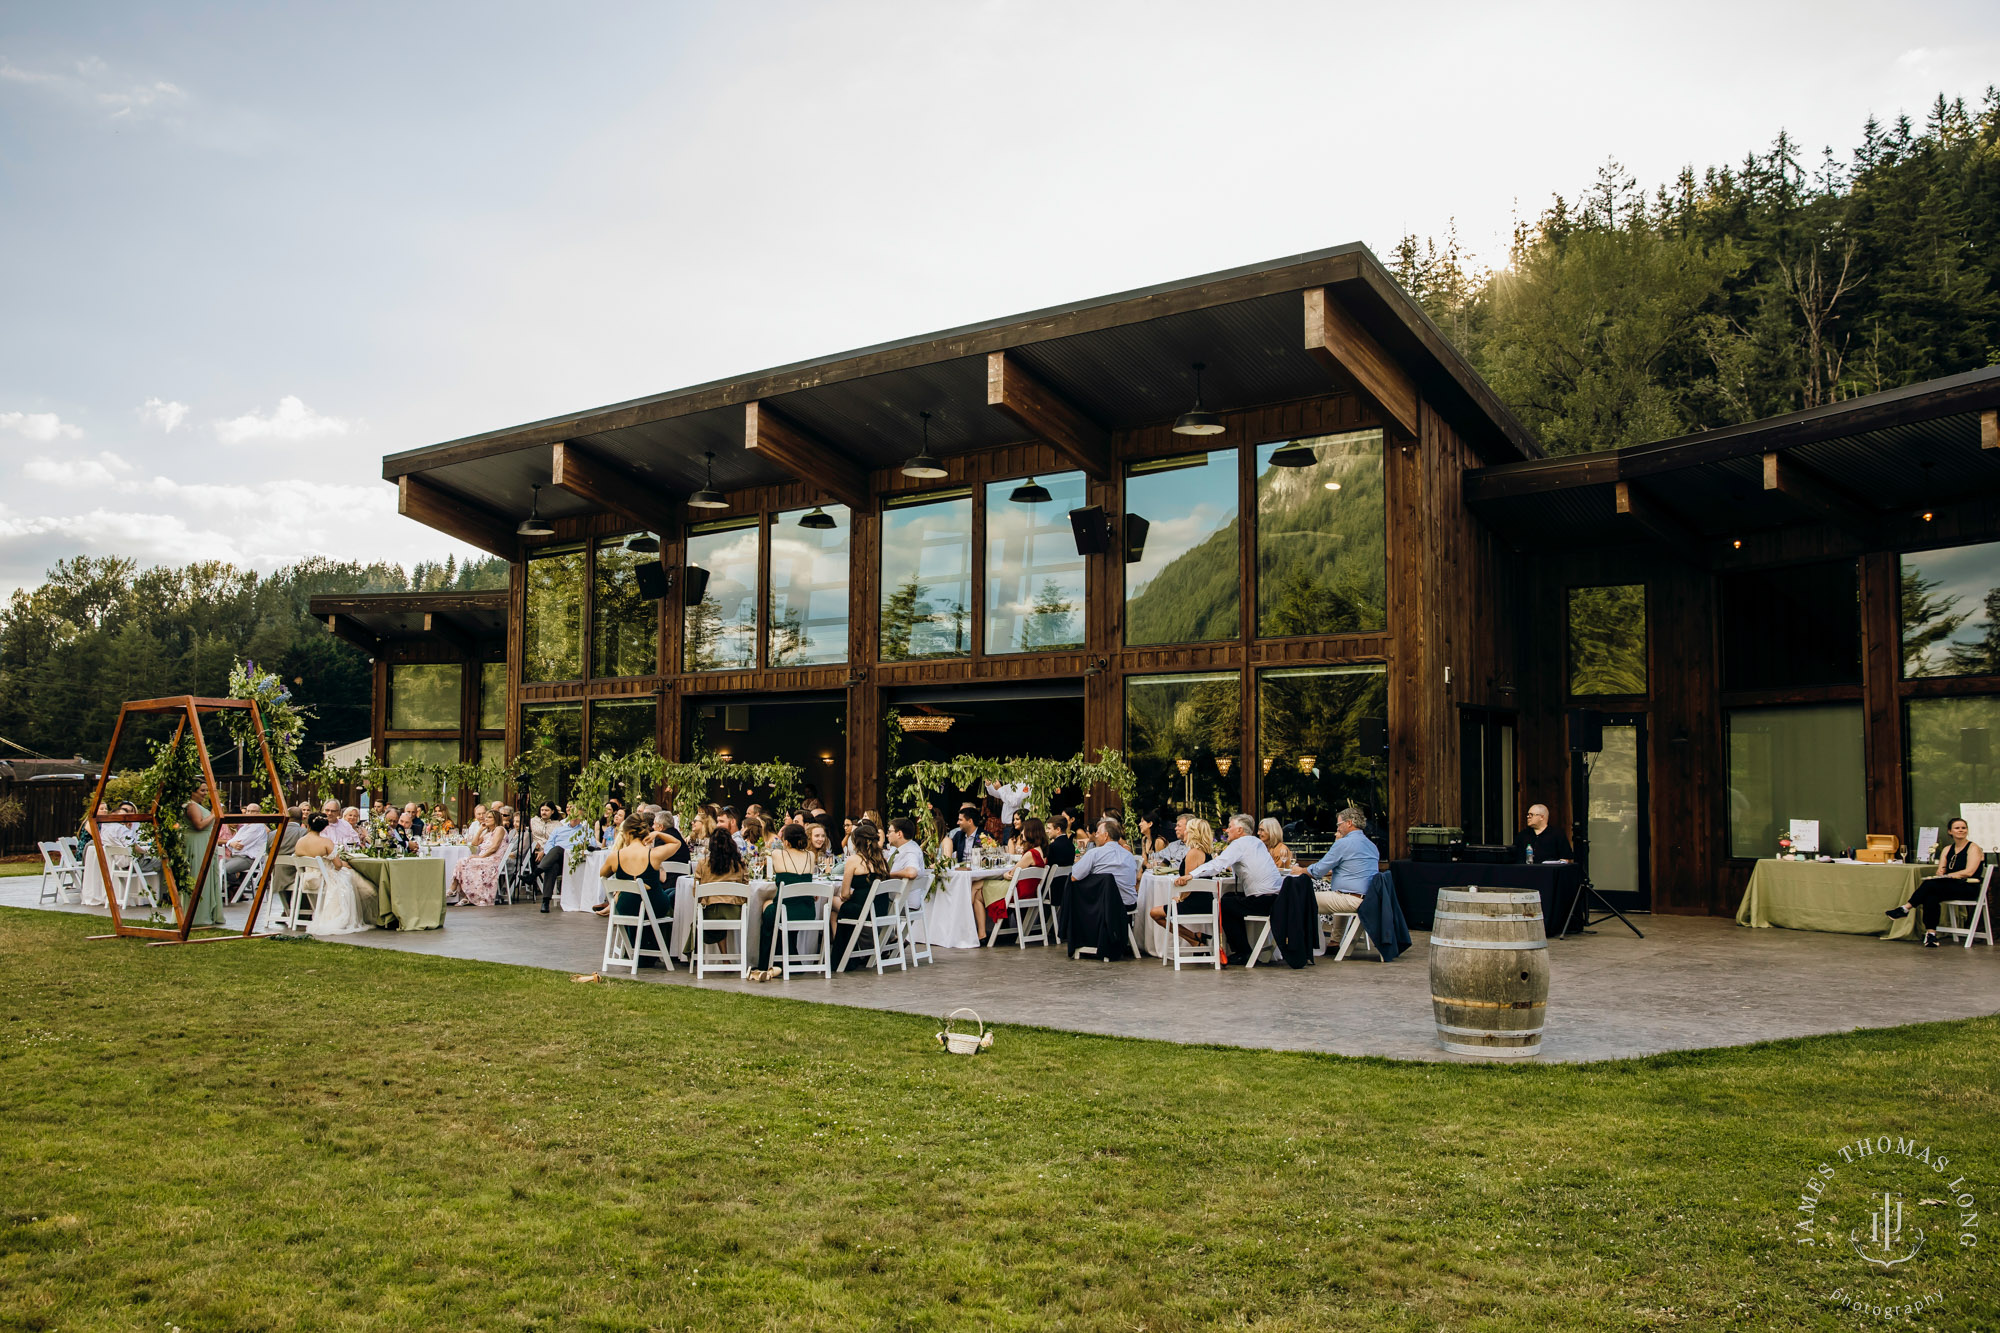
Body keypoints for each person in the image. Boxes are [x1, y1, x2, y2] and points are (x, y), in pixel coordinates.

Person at [1176, 813, 1283, 965]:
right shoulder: (1256, 843)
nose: (1227, 830)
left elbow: (1217, 864)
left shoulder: (1239, 844)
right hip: (1277, 899)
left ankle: (1242, 951)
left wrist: (1192, 875)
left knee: (1224, 904)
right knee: (1228, 897)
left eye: (1230, 827)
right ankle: (1243, 948)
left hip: (1263, 901)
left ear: (1240, 830)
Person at [1888, 816, 1985, 947]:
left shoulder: (1973, 848)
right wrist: (1941, 873)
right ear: (1950, 831)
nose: (1961, 830)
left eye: (1964, 828)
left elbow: (1969, 872)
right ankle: (1931, 935)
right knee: (1930, 895)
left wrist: (1949, 875)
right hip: (1950, 886)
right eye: (1957, 828)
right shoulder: (1947, 849)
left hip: (1967, 887)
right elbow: (1941, 870)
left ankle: (1906, 908)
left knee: (1930, 885)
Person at [597, 812, 676, 967]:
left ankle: (637, 950)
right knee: (669, 897)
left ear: (627, 833)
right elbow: (676, 844)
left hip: (626, 907)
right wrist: (658, 833)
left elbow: (602, 875)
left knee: (639, 902)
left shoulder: (616, 856)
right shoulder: (653, 854)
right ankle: (653, 949)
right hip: (654, 907)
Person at [1063, 816, 1140, 960]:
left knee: (1073, 890)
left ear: (1106, 836)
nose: (1095, 835)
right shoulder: (1129, 855)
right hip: (1128, 904)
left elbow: (1074, 876)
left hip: (1104, 905)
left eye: (1098, 832)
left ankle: (1076, 937)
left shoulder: (1095, 853)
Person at [752, 822, 821, 979]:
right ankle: (790, 959)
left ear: (787, 842)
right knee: (777, 910)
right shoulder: (810, 855)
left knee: (768, 907)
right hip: (807, 911)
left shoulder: (778, 854)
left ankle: (767, 963)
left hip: (785, 912)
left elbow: (772, 855)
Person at [289, 815, 378, 934]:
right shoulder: (326, 843)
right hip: (324, 879)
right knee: (352, 879)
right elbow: (338, 865)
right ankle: (368, 913)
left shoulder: (300, 842)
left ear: (308, 826)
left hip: (307, 879)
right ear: (324, 828)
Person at [829, 821, 897, 969]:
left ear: (856, 841)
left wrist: (849, 896)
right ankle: (848, 952)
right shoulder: (882, 860)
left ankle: (840, 956)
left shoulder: (854, 859)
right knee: (835, 913)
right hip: (879, 909)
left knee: (831, 903)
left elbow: (845, 894)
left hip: (863, 911)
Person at [979, 814, 1048, 943]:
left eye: (1024, 830)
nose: (1021, 833)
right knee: (976, 888)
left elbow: (1012, 873)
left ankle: (979, 933)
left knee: (977, 890)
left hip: (1018, 892)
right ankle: (980, 933)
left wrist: (1004, 875)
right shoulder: (1041, 851)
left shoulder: (1030, 854)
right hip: (1029, 891)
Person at [1149, 816, 1217, 941]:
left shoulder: (1193, 853)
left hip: (1195, 903)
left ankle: (1194, 938)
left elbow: (1188, 884)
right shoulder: (1206, 853)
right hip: (1206, 901)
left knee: (1154, 913)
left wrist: (1180, 899)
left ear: (1193, 833)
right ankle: (1195, 940)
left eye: (1187, 830)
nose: (1184, 832)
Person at [1307, 806, 1381, 918]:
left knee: (1301, 899)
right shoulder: (1372, 846)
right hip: (1369, 900)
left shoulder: (1343, 843)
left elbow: (1317, 871)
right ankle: (1336, 936)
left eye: (1339, 825)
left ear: (1349, 823)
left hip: (1349, 899)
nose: (1338, 829)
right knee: (1338, 925)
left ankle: (1306, 936)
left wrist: (1299, 870)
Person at [692, 826, 751, 957]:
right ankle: (728, 958)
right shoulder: (739, 864)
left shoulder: (703, 863)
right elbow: (746, 886)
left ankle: (721, 957)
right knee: (722, 909)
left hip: (711, 913)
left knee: (705, 914)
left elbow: (696, 892)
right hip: (734, 912)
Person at [535, 805, 597, 912]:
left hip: (575, 861)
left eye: (577, 813)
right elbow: (548, 846)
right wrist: (552, 856)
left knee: (558, 849)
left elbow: (593, 845)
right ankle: (545, 901)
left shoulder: (586, 831)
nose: (574, 815)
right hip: (559, 860)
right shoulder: (558, 830)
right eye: (572, 812)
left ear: (581, 815)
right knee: (553, 862)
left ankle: (535, 873)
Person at [450, 808, 507, 906]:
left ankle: (464, 894)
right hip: (485, 858)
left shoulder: (499, 829)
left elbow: (494, 848)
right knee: (462, 861)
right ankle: (458, 891)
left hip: (493, 859)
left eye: (489, 817)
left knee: (465, 862)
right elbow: (474, 843)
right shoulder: (488, 832)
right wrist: (480, 830)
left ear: (496, 819)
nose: (486, 819)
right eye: (486, 817)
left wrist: (480, 857)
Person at [219, 803, 270, 897]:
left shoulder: (257, 827)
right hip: (236, 856)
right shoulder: (245, 826)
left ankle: (229, 889)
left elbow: (240, 844)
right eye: (248, 811)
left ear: (259, 813)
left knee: (223, 869)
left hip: (248, 859)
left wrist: (231, 843)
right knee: (215, 866)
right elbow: (233, 842)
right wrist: (230, 843)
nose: (249, 813)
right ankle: (234, 886)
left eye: (253, 811)